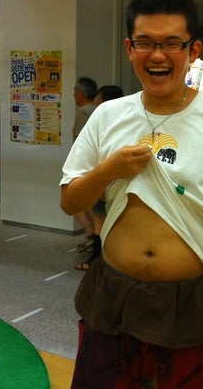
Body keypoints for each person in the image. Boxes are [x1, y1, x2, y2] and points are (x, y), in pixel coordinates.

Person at [60, 0, 203, 387]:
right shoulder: (107, 115)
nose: (158, 55)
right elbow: (69, 200)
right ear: (129, 49)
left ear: (193, 50)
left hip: (189, 301)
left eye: (171, 44)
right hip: (111, 294)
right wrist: (108, 170)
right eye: (145, 43)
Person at [75, 84, 125, 271]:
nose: (95, 102)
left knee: (99, 220)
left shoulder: (105, 123)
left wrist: (100, 182)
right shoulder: (125, 121)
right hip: (115, 180)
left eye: (98, 99)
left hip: (105, 179)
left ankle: (97, 259)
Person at [71, 76, 99, 252]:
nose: (73, 95)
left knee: (75, 202)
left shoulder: (82, 112)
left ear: (81, 93)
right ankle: (94, 236)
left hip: (86, 165)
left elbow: (79, 142)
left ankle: (90, 234)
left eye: (75, 92)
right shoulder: (98, 109)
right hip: (98, 163)